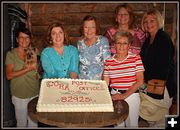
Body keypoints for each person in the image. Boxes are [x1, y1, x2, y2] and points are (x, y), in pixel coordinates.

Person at [139, 9, 177, 127]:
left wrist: (150, 87)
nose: (148, 24)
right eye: (146, 21)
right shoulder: (148, 39)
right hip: (151, 84)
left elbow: (163, 68)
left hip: (161, 86)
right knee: (151, 118)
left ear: (159, 21)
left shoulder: (163, 38)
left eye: (152, 20)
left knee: (160, 120)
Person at [103, 30, 144, 127]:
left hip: (132, 96)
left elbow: (140, 81)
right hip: (115, 95)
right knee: (117, 125)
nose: (121, 46)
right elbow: (105, 83)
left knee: (132, 125)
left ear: (129, 45)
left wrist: (124, 96)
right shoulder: (109, 62)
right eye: (118, 43)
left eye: (125, 43)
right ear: (114, 45)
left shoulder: (136, 58)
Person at [5, 28, 39, 127]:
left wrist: (38, 68)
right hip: (19, 94)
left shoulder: (35, 51)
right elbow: (9, 75)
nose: (24, 40)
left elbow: (39, 70)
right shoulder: (11, 54)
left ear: (30, 39)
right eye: (21, 37)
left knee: (33, 124)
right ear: (16, 39)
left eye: (27, 37)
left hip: (34, 93)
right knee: (21, 124)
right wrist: (27, 69)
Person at [77, 15, 111, 80]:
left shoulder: (103, 41)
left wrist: (104, 83)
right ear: (82, 28)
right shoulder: (80, 42)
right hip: (82, 82)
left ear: (96, 28)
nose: (89, 30)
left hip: (98, 83)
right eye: (86, 27)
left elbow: (108, 63)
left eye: (92, 27)